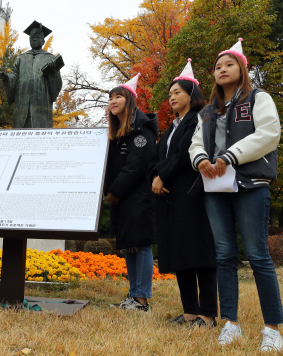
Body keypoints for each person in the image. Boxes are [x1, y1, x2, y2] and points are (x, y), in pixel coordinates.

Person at [189, 39, 283, 351]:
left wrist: (230, 156)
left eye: (229, 64)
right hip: (215, 189)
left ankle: (272, 329)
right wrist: (200, 159)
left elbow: (269, 134)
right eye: (217, 67)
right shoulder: (207, 112)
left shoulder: (259, 98)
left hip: (251, 184)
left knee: (258, 256)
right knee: (224, 256)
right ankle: (231, 324)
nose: (222, 70)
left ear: (242, 69)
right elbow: (196, 143)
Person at [149, 59, 218, 327]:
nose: (171, 97)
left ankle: (208, 314)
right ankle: (190, 311)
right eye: (169, 94)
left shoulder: (198, 120)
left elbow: (183, 155)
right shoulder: (170, 129)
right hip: (170, 199)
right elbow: (156, 158)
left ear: (192, 93)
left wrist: (161, 176)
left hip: (193, 196)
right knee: (181, 254)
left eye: (177, 92)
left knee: (200, 253)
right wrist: (154, 177)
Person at [105, 73, 158, 312]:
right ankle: (133, 296)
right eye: (110, 98)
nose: (113, 101)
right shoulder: (118, 133)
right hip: (123, 199)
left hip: (139, 198)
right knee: (129, 246)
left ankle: (142, 299)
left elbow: (136, 167)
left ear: (130, 100)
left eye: (118, 97)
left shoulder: (142, 130)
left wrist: (114, 192)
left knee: (141, 244)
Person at [0, 20, 62, 128]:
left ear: (43, 41)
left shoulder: (49, 58)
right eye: (32, 37)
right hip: (22, 104)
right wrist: (7, 78)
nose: (34, 39)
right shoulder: (22, 58)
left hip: (42, 104)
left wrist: (53, 71)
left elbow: (57, 84)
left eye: (38, 36)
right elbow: (14, 75)